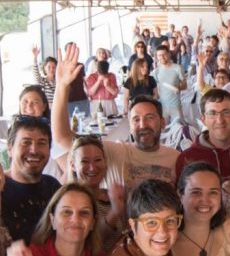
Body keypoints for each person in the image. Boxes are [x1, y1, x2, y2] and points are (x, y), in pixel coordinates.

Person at [54, 43, 179, 187]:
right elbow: (63, 137)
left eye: (150, 118)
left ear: (163, 122)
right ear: (129, 126)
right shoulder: (115, 152)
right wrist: (61, 87)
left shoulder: (175, 158)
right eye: (136, 119)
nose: (143, 125)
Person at [2, 116, 62, 243]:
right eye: (26, 142)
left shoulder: (52, 186)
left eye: (41, 143)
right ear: (10, 149)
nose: (34, 150)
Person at [176, 88, 230, 183]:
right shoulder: (188, 158)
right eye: (212, 113)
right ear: (203, 119)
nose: (220, 120)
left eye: (226, 112)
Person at [68, 135, 126, 251]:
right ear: (73, 165)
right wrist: (114, 213)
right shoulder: (71, 200)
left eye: (98, 160)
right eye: (84, 161)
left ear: (105, 162)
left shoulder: (111, 195)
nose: (92, 167)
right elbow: (88, 241)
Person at [152, 45, 186, 123]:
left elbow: (185, 85)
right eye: (159, 55)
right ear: (157, 57)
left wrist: (178, 88)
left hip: (175, 105)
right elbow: (156, 90)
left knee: (179, 130)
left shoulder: (177, 68)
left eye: (164, 54)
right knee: (164, 131)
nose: (162, 57)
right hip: (162, 106)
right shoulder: (156, 71)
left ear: (168, 54)